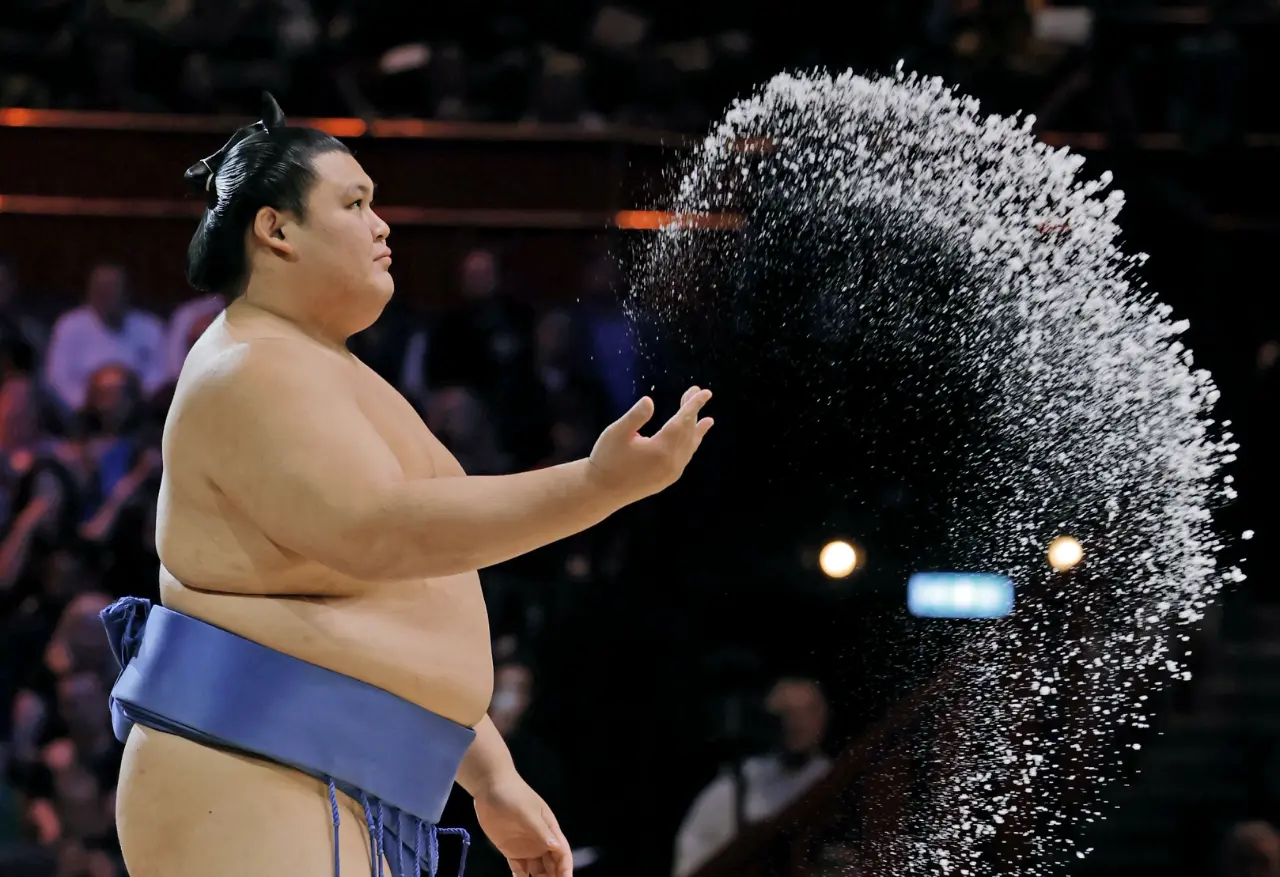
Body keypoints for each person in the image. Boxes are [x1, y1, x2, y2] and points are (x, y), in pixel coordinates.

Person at [102, 93, 714, 877]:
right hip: (249, 762)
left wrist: (491, 776)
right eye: (354, 203)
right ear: (276, 229)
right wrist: (594, 486)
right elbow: (381, 531)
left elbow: (396, 596)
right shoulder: (248, 369)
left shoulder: (320, 367)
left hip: (333, 769)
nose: (383, 225)